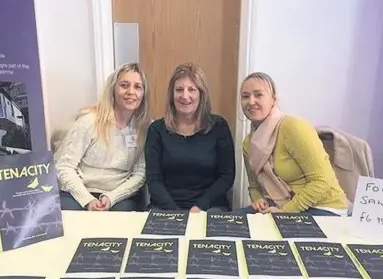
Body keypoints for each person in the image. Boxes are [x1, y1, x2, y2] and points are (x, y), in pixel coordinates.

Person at [237, 72, 348, 216]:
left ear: (274, 100)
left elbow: (322, 181)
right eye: (245, 96)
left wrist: (285, 211)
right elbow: (254, 186)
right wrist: (258, 199)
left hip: (323, 208)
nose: (251, 101)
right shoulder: (248, 143)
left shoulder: (293, 127)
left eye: (258, 95)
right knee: (224, 223)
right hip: (277, 207)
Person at [54, 63, 151, 211]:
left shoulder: (146, 128)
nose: (131, 92)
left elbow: (140, 174)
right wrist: (87, 200)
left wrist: (111, 198)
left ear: (144, 94)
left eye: (137, 87)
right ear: (113, 89)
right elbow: (64, 166)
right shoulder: (89, 121)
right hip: (80, 192)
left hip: (119, 195)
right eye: (124, 85)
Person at [145, 62, 235, 212]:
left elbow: (226, 176)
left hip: (210, 206)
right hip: (165, 208)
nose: (185, 96)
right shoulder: (157, 130)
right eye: (179, 89)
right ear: (172, 94)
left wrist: (200, 206)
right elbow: (154, 180)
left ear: (201, 94)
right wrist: (176, 213)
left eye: (192, 89)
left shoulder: (218, 126)